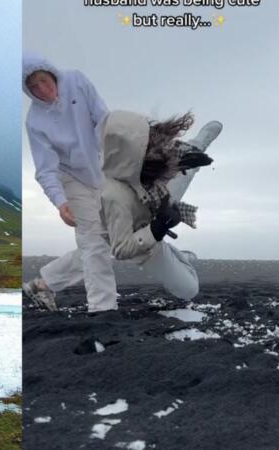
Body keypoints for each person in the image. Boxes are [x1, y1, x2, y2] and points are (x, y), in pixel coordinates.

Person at [21, 52, 118, 313]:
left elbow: (103, 118)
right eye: (32, 87)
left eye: (42, 80)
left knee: (110, 238)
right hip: (70, 179)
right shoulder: (35, 121)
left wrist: (118, 154)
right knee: (94, 241)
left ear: (51, 72)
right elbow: (45, 169)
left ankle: (44, 284)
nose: (41, 89)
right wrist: (60, 202)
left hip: (102, 169)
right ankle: (103, 310)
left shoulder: (76, 81)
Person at [100, 110, 222, 299]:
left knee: (186, 170)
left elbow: (162, 151)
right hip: (141, 237)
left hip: (156, 200)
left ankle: (199, 142)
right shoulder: (114, 196)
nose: (153, 147)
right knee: (189, 290)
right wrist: (156, 229)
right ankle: (182, 257)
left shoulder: (150, 157)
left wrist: (182, 158)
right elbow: (121, 248)